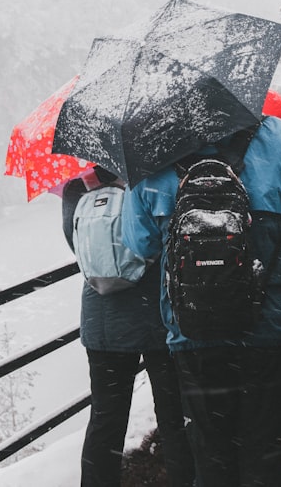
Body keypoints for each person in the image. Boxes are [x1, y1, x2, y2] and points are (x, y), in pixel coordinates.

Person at [122, 114, 281, 487]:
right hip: (274, 328)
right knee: (267, 457)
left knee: (212, 460)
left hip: (194, 332)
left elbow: (139, 242)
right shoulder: (280, 139)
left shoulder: (151, 148)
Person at [61, 167, 195, 487]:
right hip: (156, 318)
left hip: (102, 320)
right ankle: (184, 479)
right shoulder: (152, 177)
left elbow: (78, 244)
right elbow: (163, 239)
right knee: (173, 415)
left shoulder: (76, 187)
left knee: (106, 420)